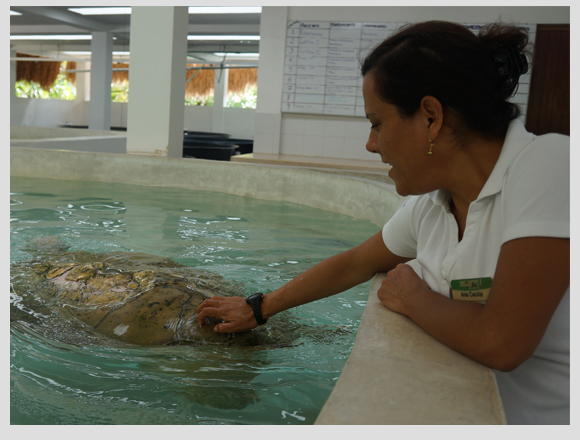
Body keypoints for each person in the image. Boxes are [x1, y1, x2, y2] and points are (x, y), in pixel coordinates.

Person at [197, 20, 570, 425]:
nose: (371, 143)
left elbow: (502, 342)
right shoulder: (434, 204)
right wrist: (260, 307)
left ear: (431, 117)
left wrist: (416, 299)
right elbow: (356, 261)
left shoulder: (549, 163)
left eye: (377, 123)